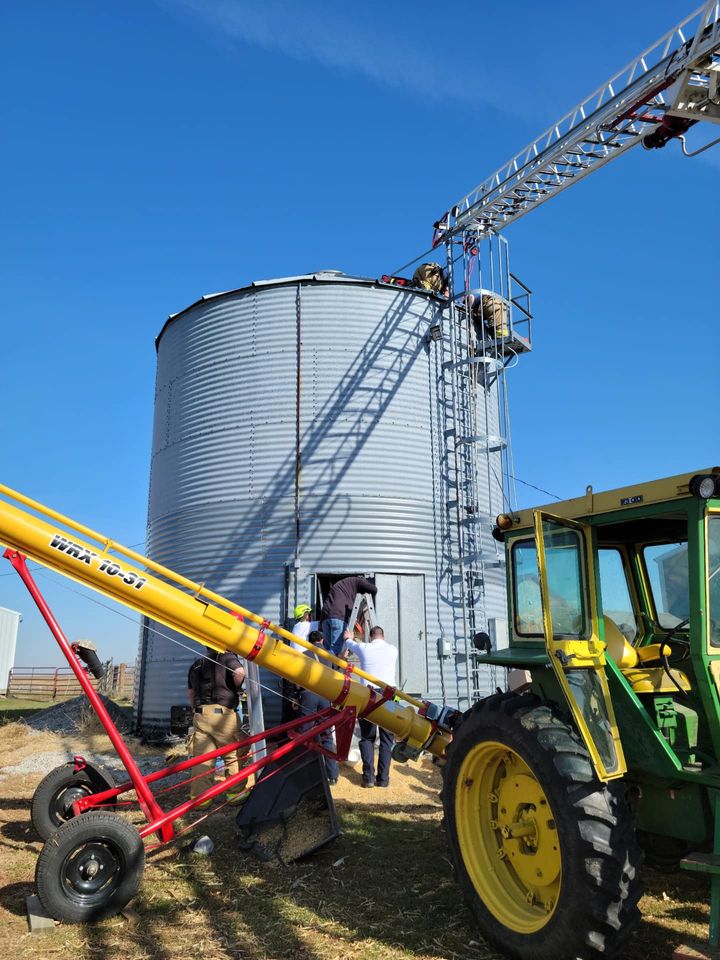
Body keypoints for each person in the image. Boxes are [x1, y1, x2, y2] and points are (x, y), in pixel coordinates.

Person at [187, 647, 250, 807]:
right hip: (223, 714)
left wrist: (195, 709)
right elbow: (240, 672)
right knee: (233, 754)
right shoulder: (227, 656)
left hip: (200, 715)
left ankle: (201, 800)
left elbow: (191, 693)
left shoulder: (196, 665)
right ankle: (235, 794)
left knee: (202, 758)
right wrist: (236, 687)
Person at [343, 625, 398, 788]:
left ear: (370, 636)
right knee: (387, 739)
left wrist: (349, 638)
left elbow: (350, 644)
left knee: (367, 737)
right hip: (390, 695)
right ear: (383, 636)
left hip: (369, 695)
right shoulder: (392, 650)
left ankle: (368, 778)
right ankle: (383, 779)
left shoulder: (364, 648)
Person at [294, 629, 339, 784]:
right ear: (322, 640)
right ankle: (332, 775)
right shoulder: (330, 656)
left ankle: (305, 773)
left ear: (309, 641)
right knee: (327, 735)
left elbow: (296, 677)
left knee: (304, 735)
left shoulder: (304, 655)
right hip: (326, 697)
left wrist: (296, 696)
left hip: (308, 696)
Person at [321, 575, 377, 657]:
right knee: (336, 648)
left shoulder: (342, 585)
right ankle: (331, 669)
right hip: (338, 617)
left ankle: (325, 667)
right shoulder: (359, 581)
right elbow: (374, 589)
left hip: (325, 618)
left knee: (327, 648)